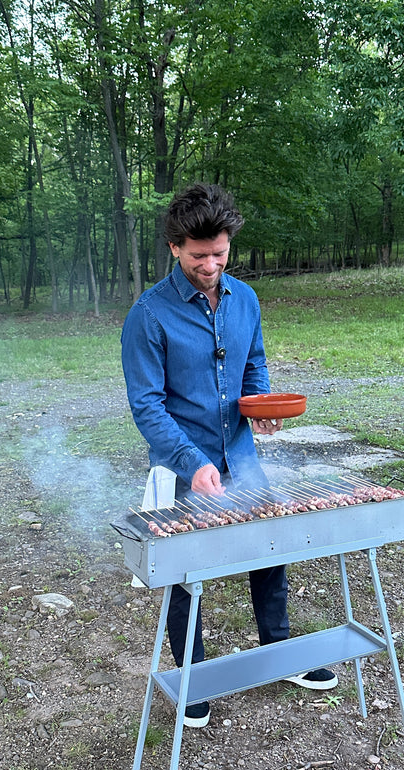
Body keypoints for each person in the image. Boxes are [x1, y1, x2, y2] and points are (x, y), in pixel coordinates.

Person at [120, 183, 337, 728]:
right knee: (184, 572)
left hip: (242, 456)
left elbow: (253, 366)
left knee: (269, 548)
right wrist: (193, 463)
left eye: (220, 253)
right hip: (180, 468)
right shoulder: (148, 316)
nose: (212, 265)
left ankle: (279, 653)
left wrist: (261, 406)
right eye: (199, 256)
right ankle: (191, 678)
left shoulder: (247, 299)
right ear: (175, 248)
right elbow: (146, 407)